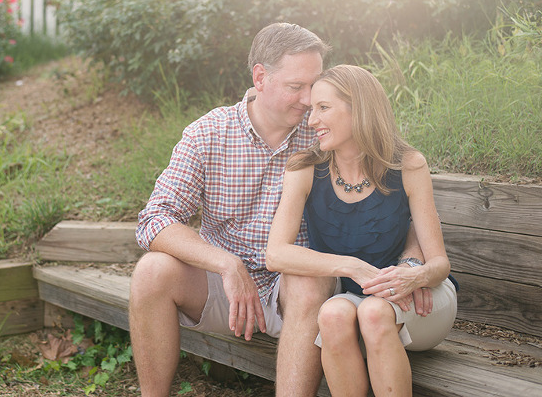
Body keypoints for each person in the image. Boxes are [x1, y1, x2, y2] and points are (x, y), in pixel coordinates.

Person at [130, 24, 428, 397]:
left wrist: (412, 265)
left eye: (314, 86)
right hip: (224, 289)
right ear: (260, 77)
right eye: (295, 87)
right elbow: (155, 219)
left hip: (297, 292)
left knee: (308, 279)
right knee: (151, 271)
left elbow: (394, 199)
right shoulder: (208, 134)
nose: (308, 100)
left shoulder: (323, 129)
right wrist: (226, 264)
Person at [266, 64, 458, 397]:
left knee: (372, 312)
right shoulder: (305, 168)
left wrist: (414, 276)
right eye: (311, 110)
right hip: (354, 295)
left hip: (421, 304)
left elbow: (439, 264)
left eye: (323, 108)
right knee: (332, 313)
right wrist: (349, 266)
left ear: (360, 109)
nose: (311, 121)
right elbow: (276, 254)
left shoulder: (409, 165)